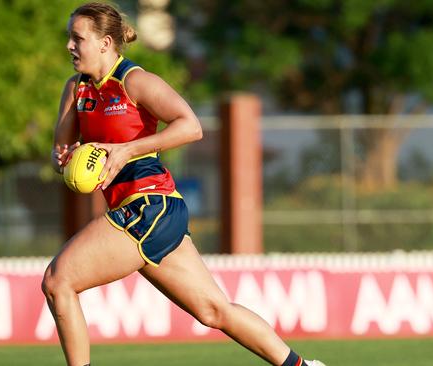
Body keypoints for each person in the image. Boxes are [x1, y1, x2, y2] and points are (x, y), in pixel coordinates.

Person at [42, 3, 325, 366]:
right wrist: (63, 160)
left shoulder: (135, 81)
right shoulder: (76, 89)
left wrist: (127, 150)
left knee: (58, 281)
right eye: (69, 37)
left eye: (77, 38)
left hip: (150, 205)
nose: (69, 45)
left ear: (105, 43)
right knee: (214, 311)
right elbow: (61, 151)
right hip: (142, 213)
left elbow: (191, 126)